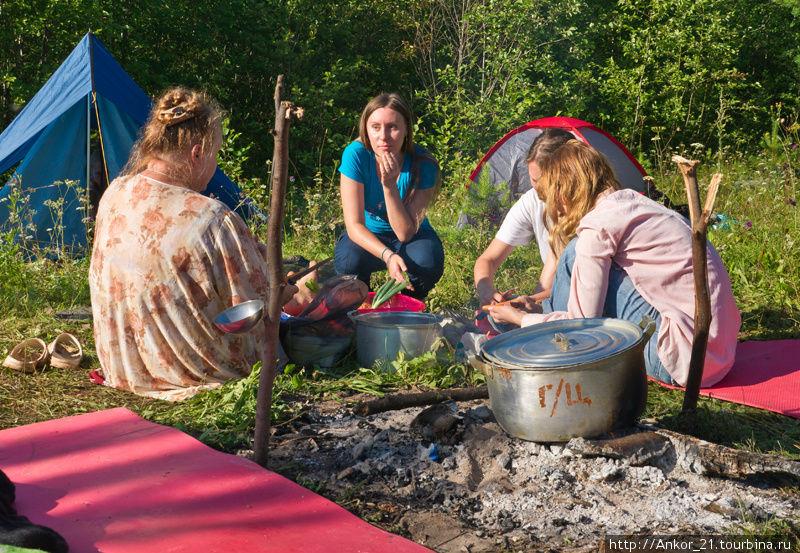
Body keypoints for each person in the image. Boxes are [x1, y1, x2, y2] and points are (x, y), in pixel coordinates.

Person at [89, 87, 307, 401]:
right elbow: (260, 306)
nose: (215, 164)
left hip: (125, 368)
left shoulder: (115, 193)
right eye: (215, 153)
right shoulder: (213, 218)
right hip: (192, 373)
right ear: (196, 153)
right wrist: (285, 287)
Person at [487, 140, 740, 387]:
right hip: (719, 354)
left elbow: (582, 321)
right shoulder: (630, 203)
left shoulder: (599, 225)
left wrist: (521, 321)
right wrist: (536, 307)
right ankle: (545, 319)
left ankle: (557, 345)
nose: (557, 212)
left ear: (563, 192)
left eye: (552, 201)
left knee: (575, 252)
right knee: (578, 254)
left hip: (682, 360)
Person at [334, 93, 443, 300]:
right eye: (375, 127)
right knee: (348, 261)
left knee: (428, 261)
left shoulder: (423, 164)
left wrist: (389, 185)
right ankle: (360, 304)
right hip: (368, 234)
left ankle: (405, 303)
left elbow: (405, 233)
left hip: (411, 236)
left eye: (393, 127)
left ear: (406, 131)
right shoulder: (355, 155)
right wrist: (388, 255)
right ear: (366, 129)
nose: (383, 136)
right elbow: (354, 225)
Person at [474, 128, 574, 310]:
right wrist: (486, 291)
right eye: (532, 180)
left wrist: (528, 304)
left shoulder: (590, 210)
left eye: (541, 180)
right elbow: (488, 259)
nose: (536, 188)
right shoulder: (533, 200)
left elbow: (571, 288)